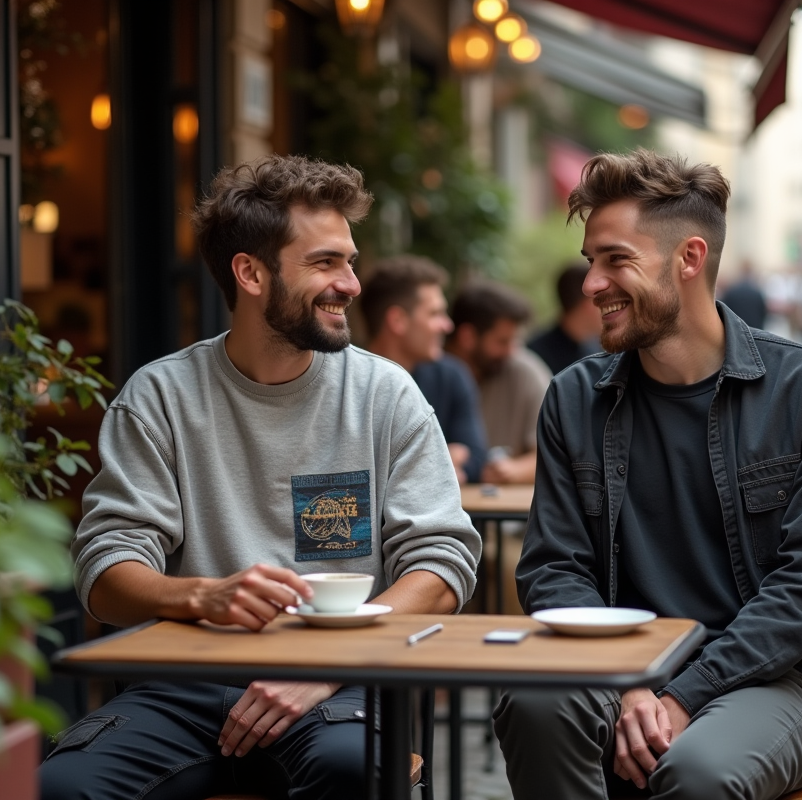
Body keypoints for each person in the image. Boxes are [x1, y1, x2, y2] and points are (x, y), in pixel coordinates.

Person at [40, 155, 481, 800]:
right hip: (180, 685)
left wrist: (329, 659)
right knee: (62, 788)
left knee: (349, 774)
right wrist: (200, 597)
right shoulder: (160, 396)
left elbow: (442, 565)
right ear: (250, 272)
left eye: (349, 261)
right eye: (326, 263)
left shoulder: (387, 394)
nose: (352, 284)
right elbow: (104, 574)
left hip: (337, 685)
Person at [495, 149, 802, 800]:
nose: (590, 285)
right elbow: (552, 567)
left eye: (616, 260)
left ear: (688, 259)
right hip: (611, 670)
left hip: (774, 680)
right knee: (531, 703)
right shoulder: (573, 396)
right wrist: (629, 680)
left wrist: (684, 694)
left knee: (695, 773)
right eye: (591, 263)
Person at [360, 254, 488, 484]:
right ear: (398, 320)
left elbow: (475, 459)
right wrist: (439, 462)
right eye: (434, 314)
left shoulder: (452, 375)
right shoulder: (346, 382)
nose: (447, 326)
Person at [445, 281, 551, 485]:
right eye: (502, 342)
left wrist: (512, 470)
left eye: (514, 341)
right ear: (468, 337)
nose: (511, 351)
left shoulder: (525, 372)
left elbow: (556, 455)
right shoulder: (429, 372)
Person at [527, 261, 604, 374]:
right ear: (588, 304)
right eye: (604, 298)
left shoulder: (597, 350)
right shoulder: (534, 358)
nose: (611, 308)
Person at [718, 260, 768, 329]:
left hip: (737, 329)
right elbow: (763, 312)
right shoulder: (757, 292)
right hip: (755, 329)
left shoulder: (732, 291)